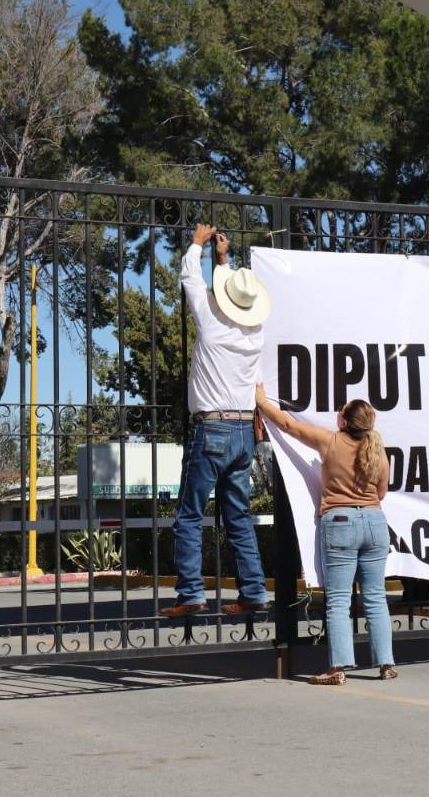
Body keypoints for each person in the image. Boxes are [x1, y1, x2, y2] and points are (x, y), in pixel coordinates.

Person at [160, 224, 272, 618]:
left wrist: (197, 245)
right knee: (238, 516)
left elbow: (190, 278)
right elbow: (227, 296)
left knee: (190, 515)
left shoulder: (209, 322)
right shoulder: (256, 333)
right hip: (244, 431)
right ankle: (254, 591)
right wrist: (223, 260)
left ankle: (191, 593)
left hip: (212, 429)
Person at [254, 386, 397, 685]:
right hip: (375, 522)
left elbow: (288, 425)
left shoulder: (330, 441)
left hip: (340, 521)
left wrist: (261, 401)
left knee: (338, 600)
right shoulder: (378, 451)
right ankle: (386, 663)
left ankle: (338, 668)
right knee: (374, 597)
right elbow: (381, 493)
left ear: (344, 421)